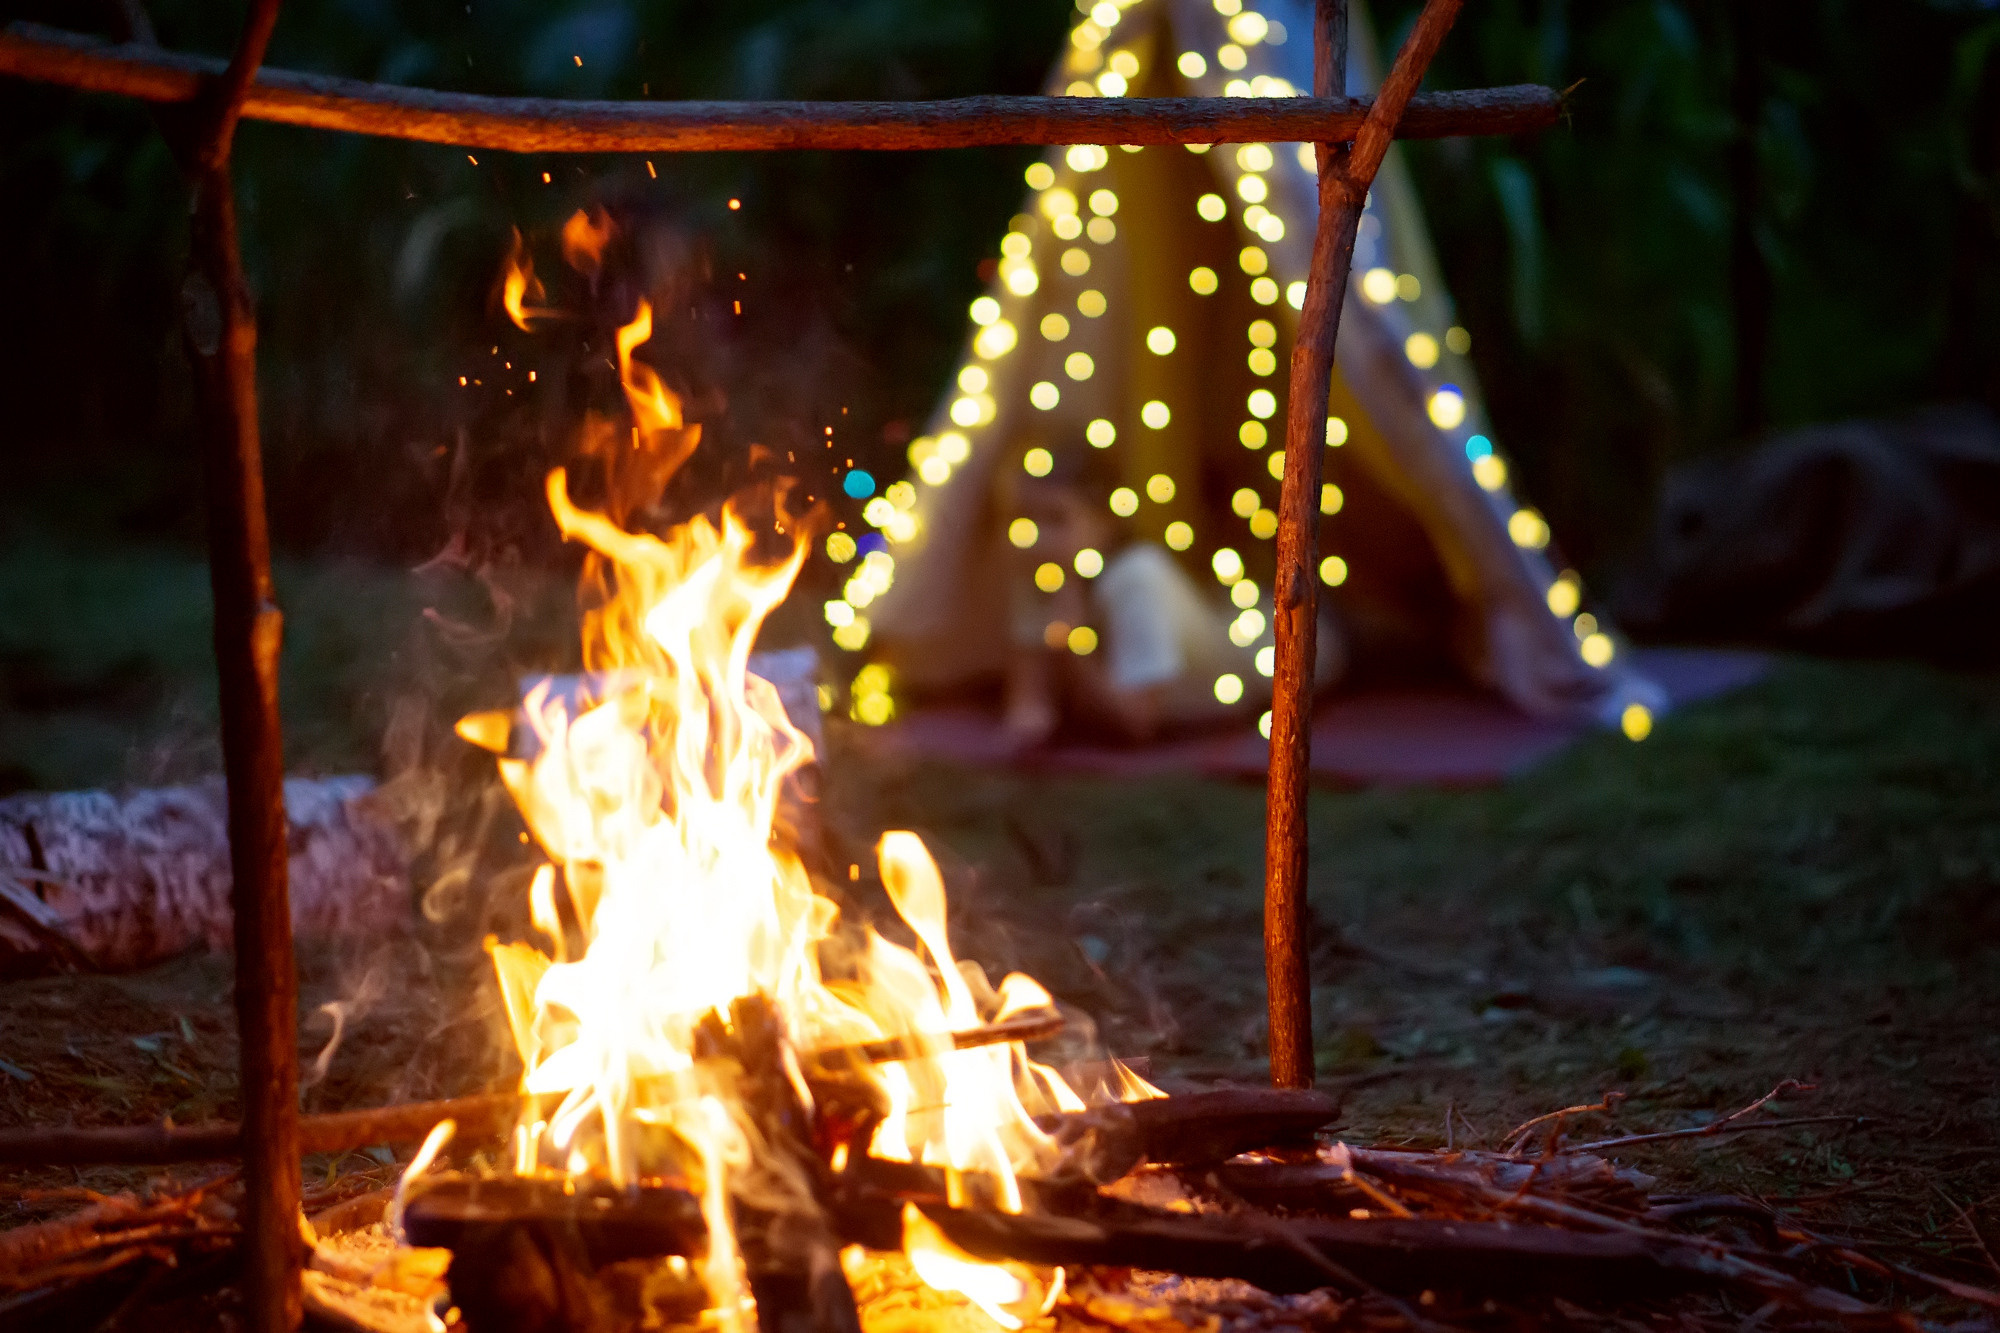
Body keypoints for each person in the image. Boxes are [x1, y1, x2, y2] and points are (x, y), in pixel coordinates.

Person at [997, 444, 1345, 749]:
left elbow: (1135, 722)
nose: (1037, 538)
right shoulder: (1040, 578)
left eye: (1056, 519)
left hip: (1298, 641)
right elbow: (1029, 711)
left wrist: (1072, 645)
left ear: (1104, 520)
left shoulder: (1137, 578)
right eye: (1025, 519)